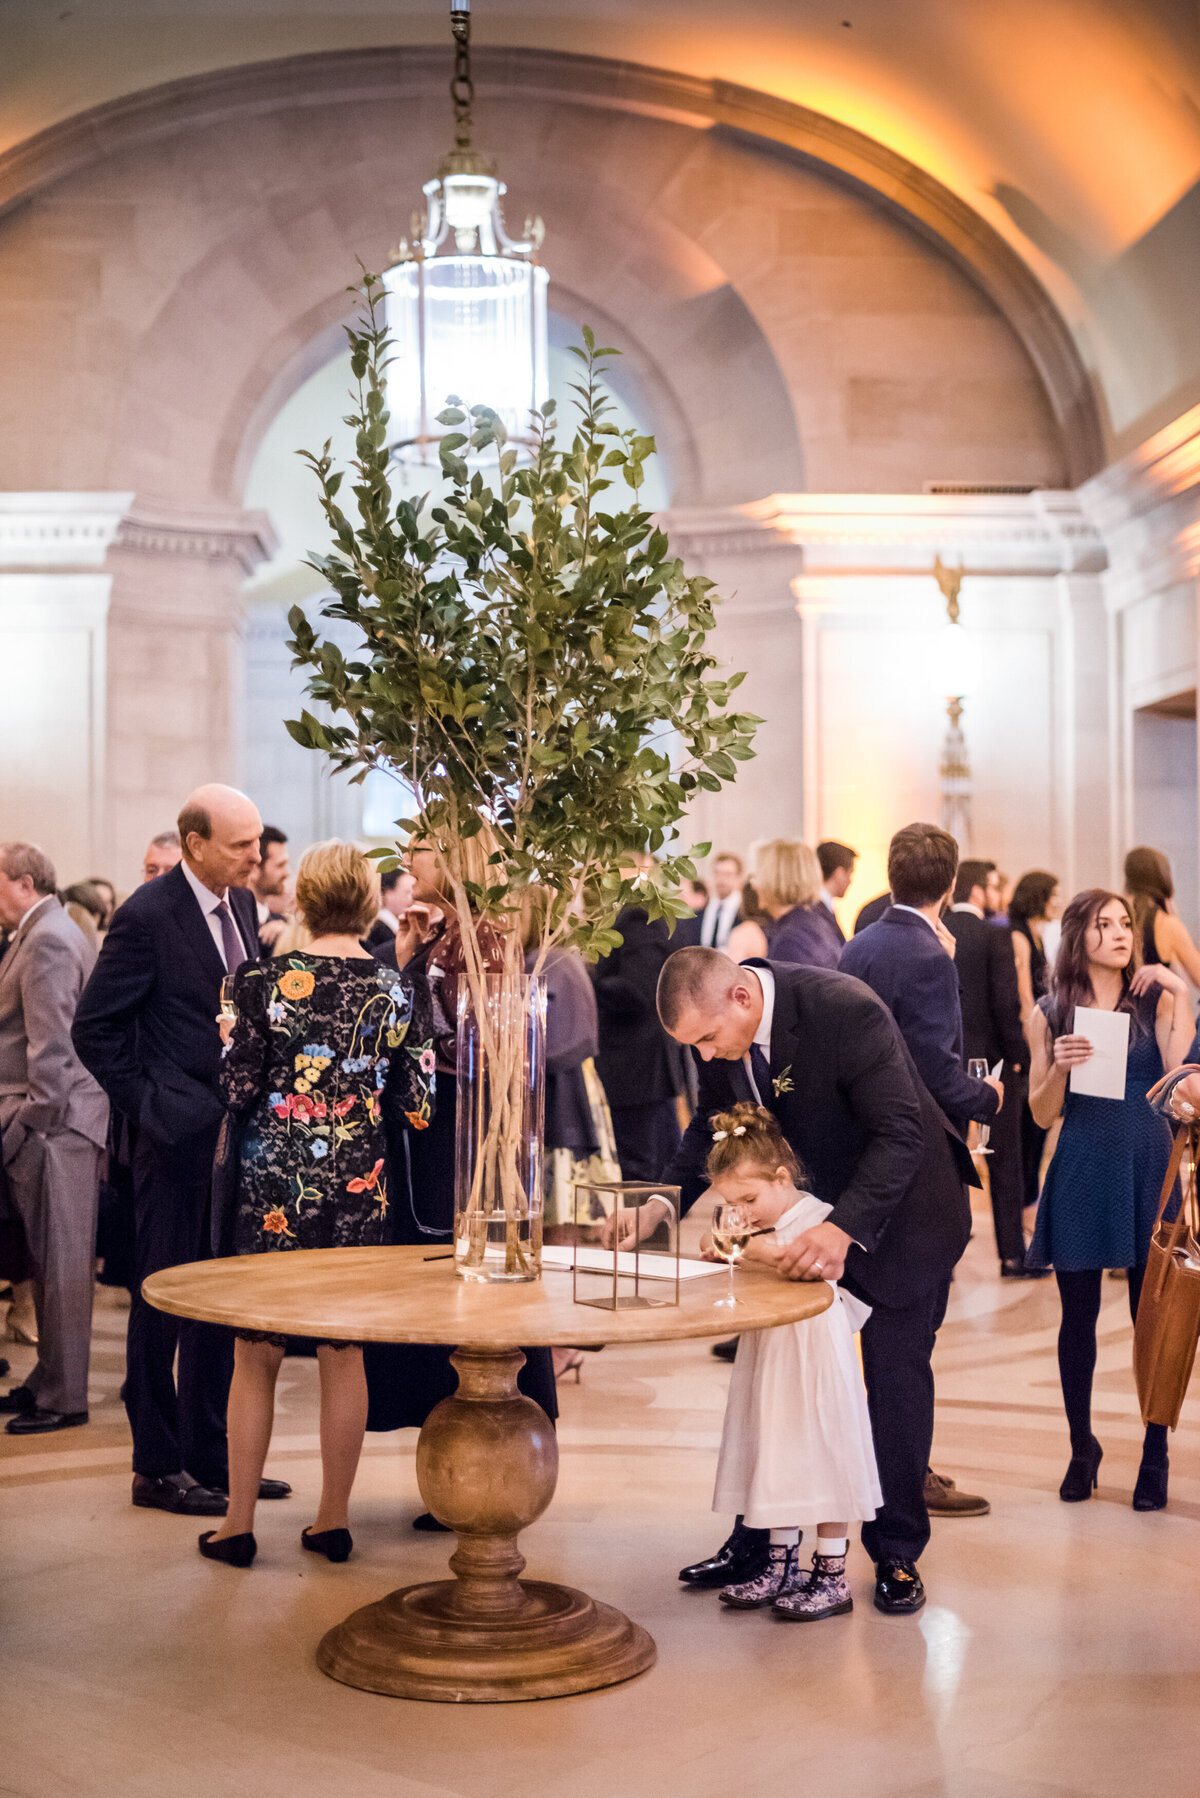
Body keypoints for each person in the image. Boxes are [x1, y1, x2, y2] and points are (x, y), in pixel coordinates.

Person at [655, 947, 975, 1616]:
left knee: (893, 1379)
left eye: (709, 1038)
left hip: (901, 1217)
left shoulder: (844, 1008)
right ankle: (759, 1545)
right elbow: (709, 1129)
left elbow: (900, 1132)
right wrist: (660, 1203)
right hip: (804, 1215)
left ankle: (896, 1555)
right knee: (781, 1383)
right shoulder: (725, 1038)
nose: (709, 1056)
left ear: (741, 999)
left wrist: (842, 1230)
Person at [197, 841, 433, 1568]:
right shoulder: (395, 990)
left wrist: (231, 1044)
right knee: (343, 1351)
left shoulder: (258, 980)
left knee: (254, 1351)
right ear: (368, 902)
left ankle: (237, 1525)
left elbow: (233, 1092)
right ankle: (332, 1520)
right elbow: (418, 1106)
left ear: (302, 898)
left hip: (273, 1187)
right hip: (359, 1186)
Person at [72, 783, 291, 1517]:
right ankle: (156, 1467)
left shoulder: (246, 906)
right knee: (162, 1301)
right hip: (172, 1143)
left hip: (233, 1139)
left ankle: (214, 1455)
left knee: (217, 1304)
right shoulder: (145, 917)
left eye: (256, 842)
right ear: (195, 844)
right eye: (239, 844)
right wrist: (153, 1104)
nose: (255, 857)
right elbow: (95, 1030)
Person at [362, 836, 557, 1491]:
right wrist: (406, 958)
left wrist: (413, 980)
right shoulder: (444, 933)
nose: (406, 860)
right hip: (437, 1124)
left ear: (452, 860)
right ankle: (448, 1447)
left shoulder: (488, 937)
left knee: (471, 1285)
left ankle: (484, 1454)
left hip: (471, 1126)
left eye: (418, 849)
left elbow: (480, 1042)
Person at [1027, 889, 1192, 1510]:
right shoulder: (1052, 1010)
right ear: (1079, 935)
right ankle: (1081, 1448)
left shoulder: (1154, 997)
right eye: (1105, 924)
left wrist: (1178, 993)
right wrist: (1059, 1070)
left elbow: (1177, 1087)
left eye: (1126, 923)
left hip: (1149, 1164)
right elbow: (1042, 1115)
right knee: (1078, 1319)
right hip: (1082, 1165)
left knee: (1150, 1320)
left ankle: (1156, 1452)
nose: (1121, 933)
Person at [695, 1103, 881, 1619]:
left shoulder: (817, 1217)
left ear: (782, 1177)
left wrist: (735, 1244)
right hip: (773, 1348)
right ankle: (780, 1564)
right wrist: (726, 1247)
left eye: (750, 1199)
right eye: (731, 1203)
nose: (744, 1213)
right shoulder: (760, 1229)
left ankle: (832, 1573)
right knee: (775, 1446)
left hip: (815, 1354)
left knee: (822, 1449)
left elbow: (792, 1257)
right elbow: (739, 1247)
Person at [0, 844, 108, 1434]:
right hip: (51, 1122)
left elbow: (53, 1052)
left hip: (56, 1126)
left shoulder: (46, 937)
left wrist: (23, 1129)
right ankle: (47, 1378)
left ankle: (66, 1396)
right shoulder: (40, 929)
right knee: (47, 1262)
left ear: (22, 882)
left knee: (64, 1267)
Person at [840, 825, 1003, 1139]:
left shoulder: (856, 945)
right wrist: (987, 1097)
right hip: (917, 1133)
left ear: (891, 879)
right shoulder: (930, 958)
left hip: (862, 1122)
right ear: (951, 885)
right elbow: (933, 1071)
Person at [944, 858, 1043, 1277]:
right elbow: (1005, 1005)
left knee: (946, 1159)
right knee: (1004, 1159)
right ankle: (1012, 1255)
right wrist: (1020, 1058)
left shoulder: (937, 933)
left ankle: (943, 1260)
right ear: (979, 891)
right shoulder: (993, 935)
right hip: (992, 1065)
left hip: (943, 1060)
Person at [591, 869, 683, 1183]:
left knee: (641, 1167)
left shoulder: (637, 919)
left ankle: (645, 1228)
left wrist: (589, 977)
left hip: (635, 1065)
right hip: (641, 1066)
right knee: (655, 1160)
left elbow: (638, 990)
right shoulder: (633, 918)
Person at [1009, 870, 1061, 1207]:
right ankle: (1027, 1201)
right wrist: (1038, 1046)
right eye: (1053, 894)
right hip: (1030, 1040)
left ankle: (1031, 1197)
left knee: (1038, 1129)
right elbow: (1025, 997)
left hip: (1042, 1035)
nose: (1058, 901)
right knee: (1030, 1127)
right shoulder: (1018, 936)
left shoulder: (1036, 933)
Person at [755, 839, 842, 971]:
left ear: (775, 880)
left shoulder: (790, 942)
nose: (754, 884)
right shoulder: (812, 922)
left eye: (758, 874)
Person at [1124, 845, 1200, 986]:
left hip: (1116, 1006)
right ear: (1163, 878)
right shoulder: (1166, 923)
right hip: (1157, 1006)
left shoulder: (1116, 916)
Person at [250, 825, 290, 953]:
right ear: (255, 869)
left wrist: (288, 935)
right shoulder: (235, 924)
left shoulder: (283, 924)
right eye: (280, 865)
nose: (287, 873)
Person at [815, 841, 856, 953]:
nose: (850, 881)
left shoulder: (824, 906)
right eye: (850, 873)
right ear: (839, 873)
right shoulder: (816, 911)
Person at [364, 865, 417, 952]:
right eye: (407, 892)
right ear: (386, 893)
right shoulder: (374, 932)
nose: (412, 899)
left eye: (413, 893)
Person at [697, 853, 744, 950]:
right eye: (717, 873)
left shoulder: (745, 912)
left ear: (739, 878)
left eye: (728, 874)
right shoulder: (703, 910)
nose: (721, 879)